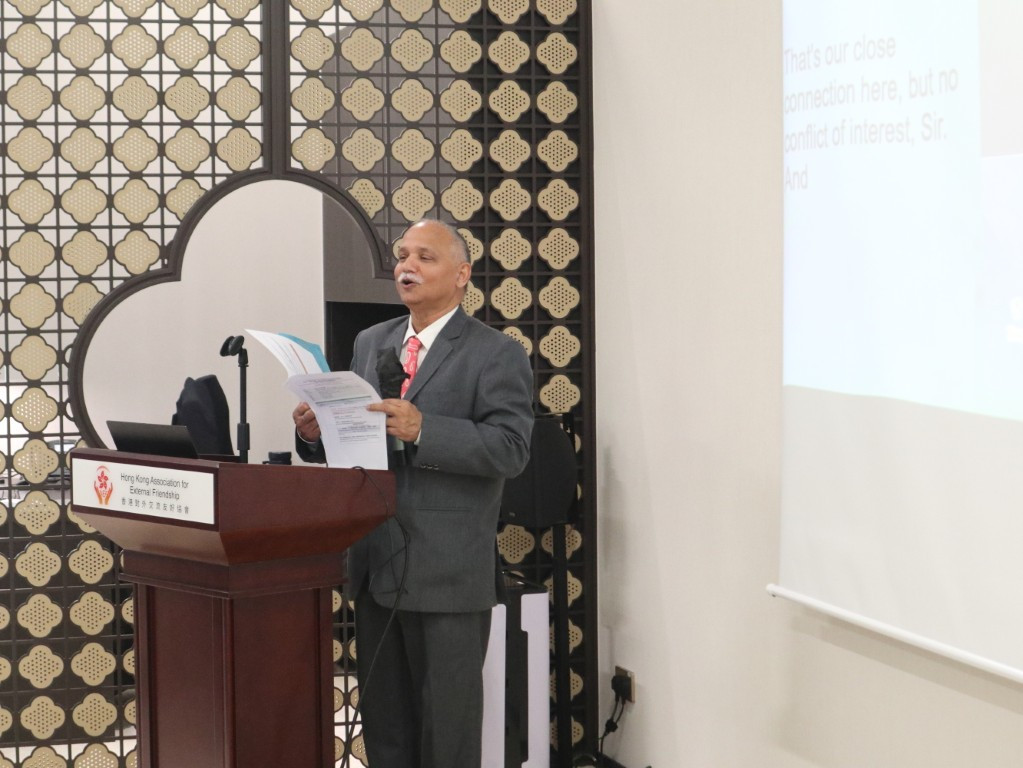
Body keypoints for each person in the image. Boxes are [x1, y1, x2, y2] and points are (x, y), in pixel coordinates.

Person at [292, 218, 534, 768]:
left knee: (447, 733)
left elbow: (511, 449)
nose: (407, 266)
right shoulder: (371, 342)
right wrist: (315, 434)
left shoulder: (495, 353)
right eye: (403, 255)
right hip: (377, 562)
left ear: (462, 275)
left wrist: (425, 430)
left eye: (425, 257)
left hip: (449, 570)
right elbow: (357, 444)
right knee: (387, 731)